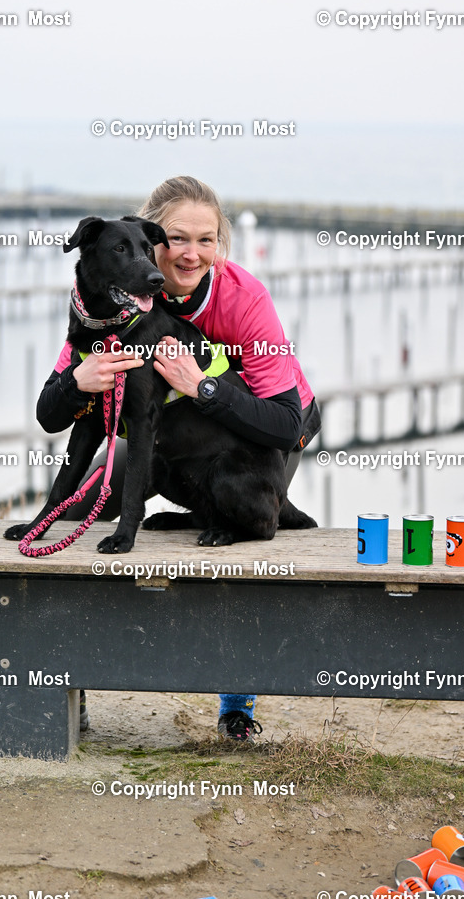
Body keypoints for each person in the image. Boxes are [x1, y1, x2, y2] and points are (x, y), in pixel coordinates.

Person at [36, 175, 320, 740]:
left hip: (261, 436)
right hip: (161, 439)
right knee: (75, 510)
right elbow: (50, 415)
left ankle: (237, 707)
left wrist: (204, 387)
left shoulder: (243, 298)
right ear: (148, 241)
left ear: (220, 246)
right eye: (176, 239)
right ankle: (67, 687)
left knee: (240, 538)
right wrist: (79, 381)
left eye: (207, 240)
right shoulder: (112, 298)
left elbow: (285, 426)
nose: (190, 254)